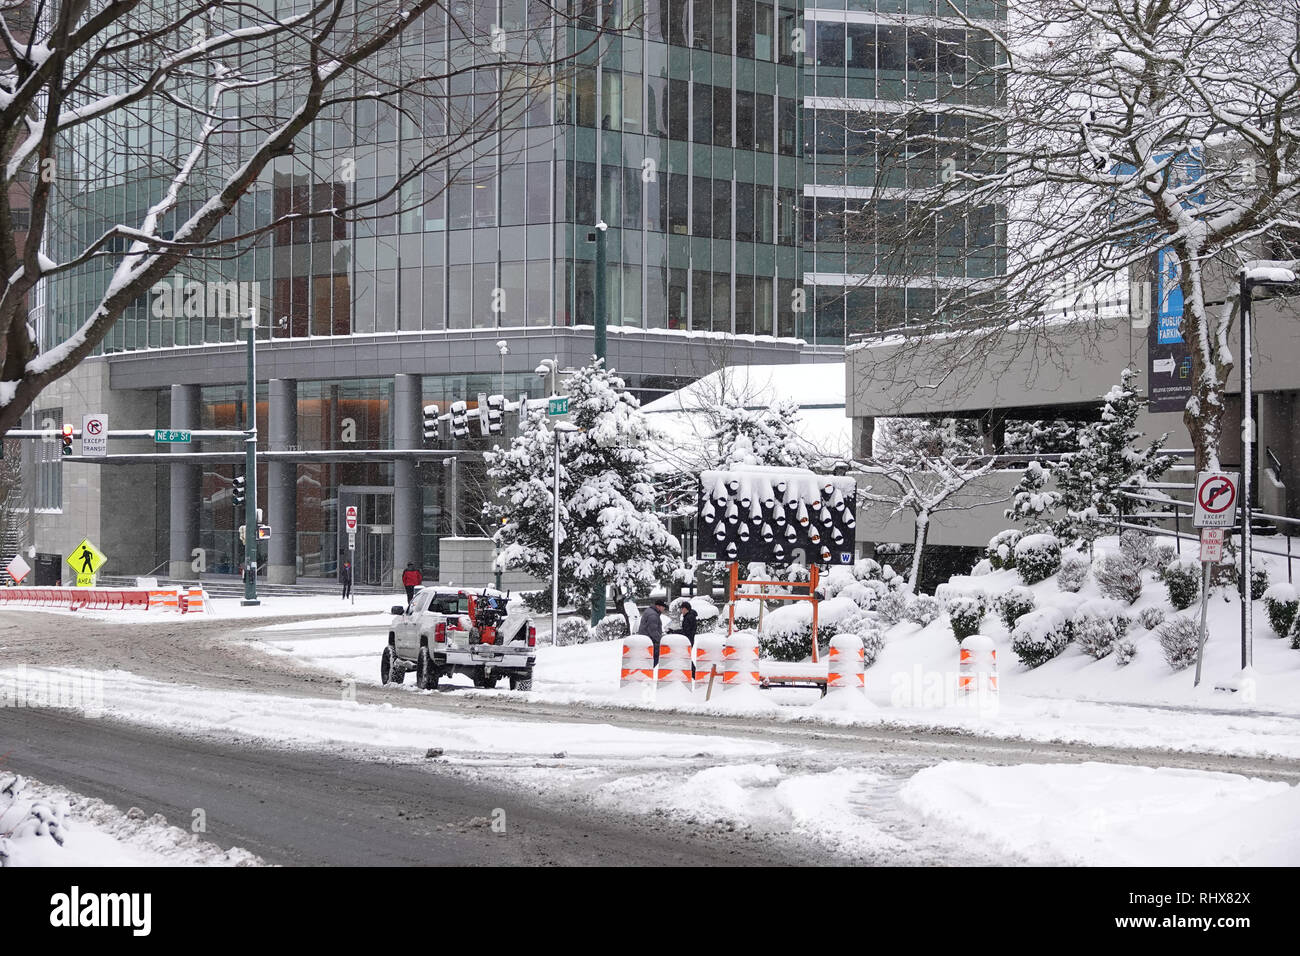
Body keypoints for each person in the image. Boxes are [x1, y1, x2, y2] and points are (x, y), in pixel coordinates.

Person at [668, 600, 699, 678]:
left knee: (686, 657)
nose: (681, 611)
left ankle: (694, 674)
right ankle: (693, 674)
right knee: (686, 657)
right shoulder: (689, 616)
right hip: (689, 640)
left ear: (685, 609)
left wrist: (675, 632)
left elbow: (686, 631)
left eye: (682, 609)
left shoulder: (689, 617)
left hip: (688, 640)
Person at [637, 598, 667, 665]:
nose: (664, 609)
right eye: (663, 607)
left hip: (646, 641)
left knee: (647, 662)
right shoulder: (653, 615)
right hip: (651, 642)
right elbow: (653, 631)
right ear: (658, 606)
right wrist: (661, 640)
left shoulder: (650, 611)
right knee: (653, 661)